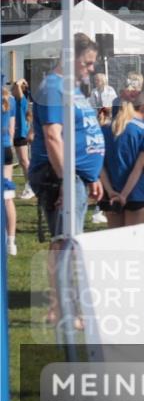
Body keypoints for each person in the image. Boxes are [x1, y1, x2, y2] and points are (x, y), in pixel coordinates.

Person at [28, 33, 106, 324]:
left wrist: (91, 175)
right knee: (65, 242)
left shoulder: (72, 89)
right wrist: (66, 182)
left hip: (77, 176)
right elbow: (52, 137)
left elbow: (80, 134)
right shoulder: (52, 87)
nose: (91, 68)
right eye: (87, 63)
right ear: (70, 58)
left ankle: (65, 306)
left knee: (71, 241)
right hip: (59, 175)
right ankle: (61, 308)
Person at [99, 90, 144, 228]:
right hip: (135, 193)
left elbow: (99, 166)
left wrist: (111, 191)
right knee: (133, 243)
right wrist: (123, 195)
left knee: (116, 245)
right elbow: (139, 167)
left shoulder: (103, 130)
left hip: (109, 194)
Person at [12, 79, 33, 199]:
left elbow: (17, 85)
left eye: (16, 88)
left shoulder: (21, 100)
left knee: (25, 161)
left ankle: (31, 186)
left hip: (21, 133)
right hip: (15, 133)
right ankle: (29, 186)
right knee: (22, 162)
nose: (13, 89)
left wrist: (21, 81)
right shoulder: (13, 100)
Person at [2, 84, 15, 255]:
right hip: (6, 148)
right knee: (7, 196)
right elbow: (12, 129)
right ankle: (11, 241)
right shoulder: (10, 99)